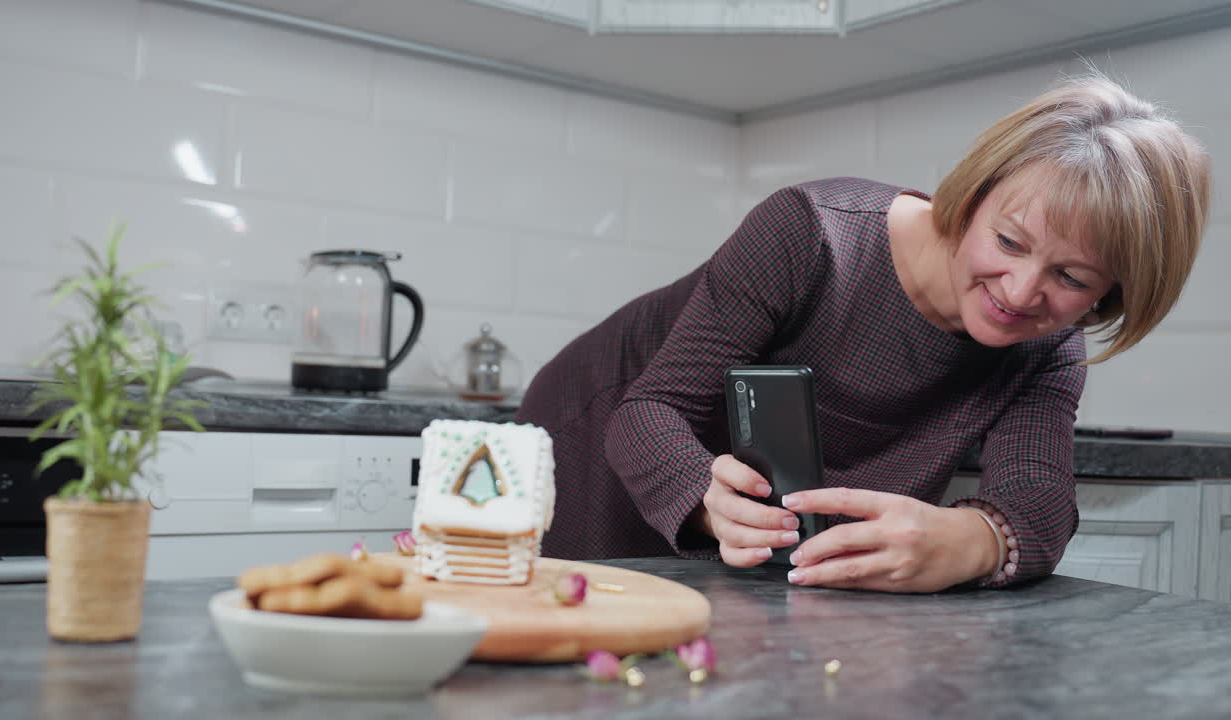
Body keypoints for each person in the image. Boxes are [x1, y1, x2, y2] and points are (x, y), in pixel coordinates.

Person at [514, 72, 1211, 592]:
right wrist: (700, 495)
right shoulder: (808, 232)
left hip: (752, 515)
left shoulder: (1048, 345)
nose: (1023, 291)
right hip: (596, 430)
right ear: (970, 197)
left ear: (1111, 295)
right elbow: (650, 409)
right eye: (1008, 239)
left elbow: (1038, 497)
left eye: (1073, 278)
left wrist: (975, 539)